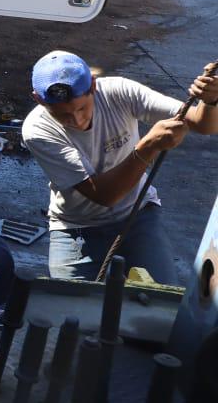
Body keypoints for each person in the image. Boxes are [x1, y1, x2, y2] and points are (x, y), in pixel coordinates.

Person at [21, 51, 218, 285]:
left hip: (138, 215)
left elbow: (202, 124)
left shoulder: (119, 91)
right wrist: (147, 147)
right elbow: (104, 195)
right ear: (38, 99)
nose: (76, 120)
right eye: (62, 115)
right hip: (76, 228)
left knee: (159, 304)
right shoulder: (37, 130)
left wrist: (210, 100)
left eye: (81, 108)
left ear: (93, 86)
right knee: (75, 310)